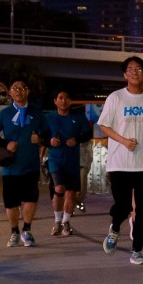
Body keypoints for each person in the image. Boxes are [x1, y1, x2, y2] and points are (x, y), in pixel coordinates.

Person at [99, 56, 143, 265]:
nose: (134, 72)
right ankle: (115, 227)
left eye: (138, 69)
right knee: (124, 205)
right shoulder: (115, 98)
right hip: (120, 162)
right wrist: (124, 141)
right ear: (125, 75)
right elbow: (104, 126)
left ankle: (137, 249)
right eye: (130, 69)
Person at [0, 78, 44, 247]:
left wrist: (40, 138)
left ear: (27, 91)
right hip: (10, 167)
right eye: (15, 88)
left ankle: (27, 230)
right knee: (11, 202)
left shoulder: (37, 113)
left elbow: (48, 134)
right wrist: (6, 144)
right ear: (10, 93)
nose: (19, 90)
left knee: (30, 199)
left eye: (22, 88)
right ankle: (14, 232)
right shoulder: (4, 113)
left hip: (31, 165)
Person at [44, 88, 93, 236]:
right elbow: (41, 136)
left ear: (70, 101)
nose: (63, 100)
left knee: (71, 194)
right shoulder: (49, 118)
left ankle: (66, 222)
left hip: (72, 161)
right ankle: (57, 221)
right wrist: (50, 141)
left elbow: (88, 134)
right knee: (59, 189)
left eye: (66, 98)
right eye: (60, 98)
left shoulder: (78, 116)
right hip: (55, 160)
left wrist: (76, 140)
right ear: (55, 101)